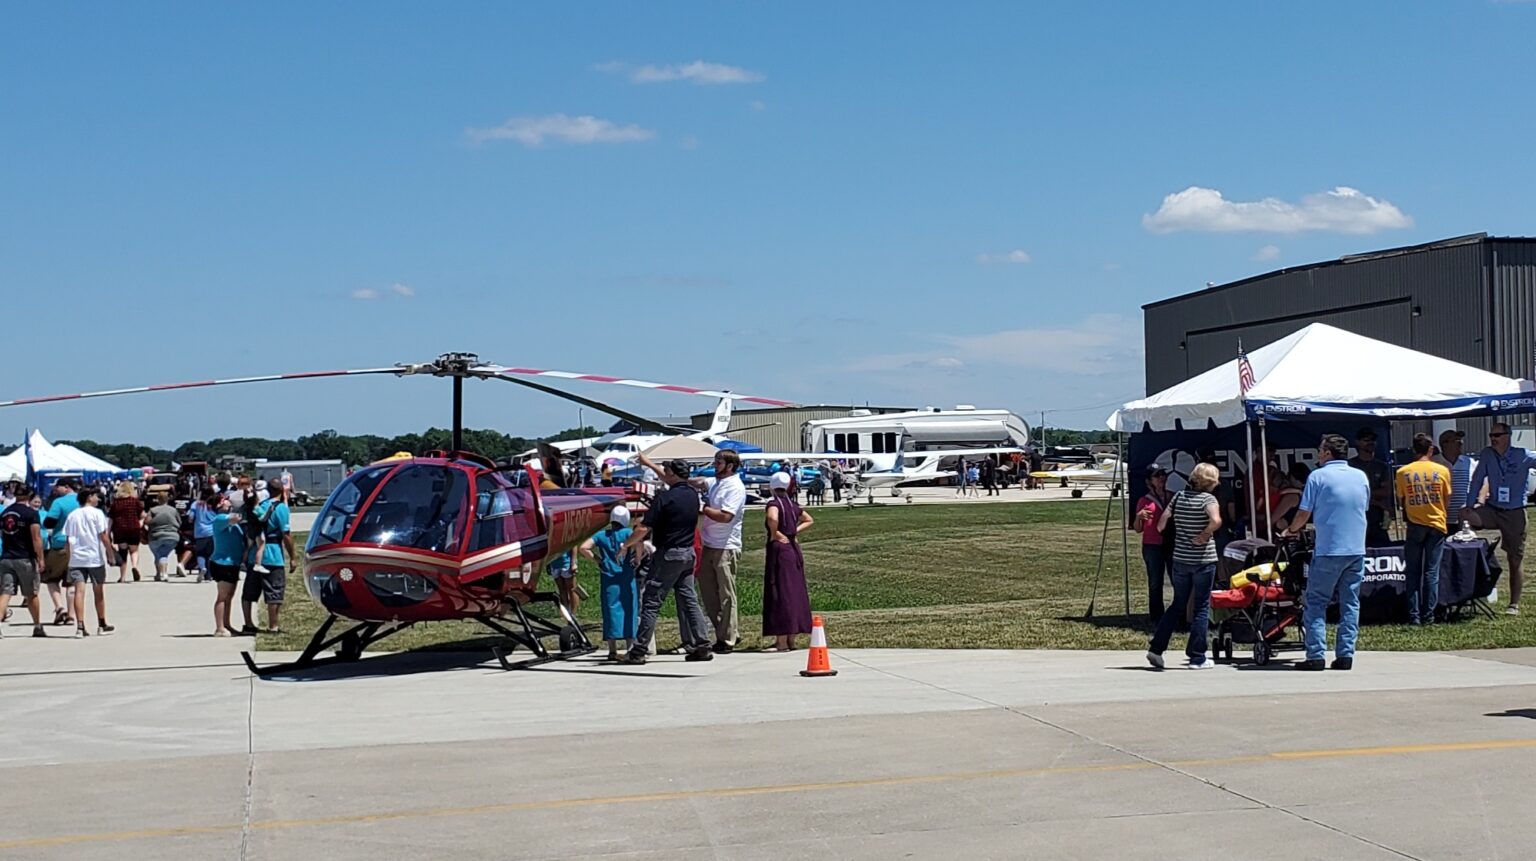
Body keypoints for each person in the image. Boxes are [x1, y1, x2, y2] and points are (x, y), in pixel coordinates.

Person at [1283, 434, 1370, 671]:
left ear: (1328, 453)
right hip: (1356, 549)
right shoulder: (1360, 476)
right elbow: (1364, 506)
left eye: (1320, 450)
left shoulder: (1318, 477)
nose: (1318, 455)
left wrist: (1291, 530)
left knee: (1316, 601)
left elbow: (1303, 512)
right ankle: (1345, 655)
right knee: (1350, 603)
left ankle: (1316, 654)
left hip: (1329, 549)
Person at [619, 458, 713, 664]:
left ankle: (639, 650)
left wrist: (626, 545)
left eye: (666, 470)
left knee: (651, 600)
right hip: (688, 553)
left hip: (668, 554)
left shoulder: (665, 498)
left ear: (672, 474)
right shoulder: (692, 495)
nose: (663, 473)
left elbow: (644, 528)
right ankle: (702, 644)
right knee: (689, 599)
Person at [1146, 462, 1222, 670]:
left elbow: (1161, 524)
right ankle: (1197, 656)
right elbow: (1216, 520)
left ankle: (1156, 648)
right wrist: (1205, 534)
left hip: (1180, 558)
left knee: (1177, 604)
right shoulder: (1209, 499)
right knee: (1201, 607)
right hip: (1203, 560)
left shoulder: (1179, 497)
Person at [1466, 421, 1536, 615]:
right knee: (1467, 518)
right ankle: (1470, 577)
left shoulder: (1523, 455)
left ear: (1508, 436)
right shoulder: (1487, 454)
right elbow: (1477, 479)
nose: (1493, 439)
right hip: (1493, 509)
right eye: (1491, 436)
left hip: (1514, 512)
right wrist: (1470, 505)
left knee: (1515, 558)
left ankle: (1513, 604)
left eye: (1497, 436)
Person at [694, 449, 746, 654]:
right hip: (709, 544)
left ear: (730, 466)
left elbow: (726, 516)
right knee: (708, 594)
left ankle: (729, 638)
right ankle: (723, 632)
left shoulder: (735, 487)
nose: (714, 465)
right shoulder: (715, 482)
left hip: (726, 546)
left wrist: (702, 508)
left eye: (718, 462)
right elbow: (698, 481)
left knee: (726, 594)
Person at [1396, 433, 1451, 626]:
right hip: (1436, 524)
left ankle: (1414, 616)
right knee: (1431, 572)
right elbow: (1446, 498)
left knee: (1412, 572)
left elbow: (1402, 500)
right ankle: (1429, 615)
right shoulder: (1442, 470)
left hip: (1415, 524)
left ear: (1413, 449)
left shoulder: (1403, 472)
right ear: (1430, 449)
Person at [762, 472, 814, 651]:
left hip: (780, 550)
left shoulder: (774, 503)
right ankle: (792, 639)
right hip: (793, 549)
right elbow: (809, 519)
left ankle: (781, 641)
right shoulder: (793, 504)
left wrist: (775, 533)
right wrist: (794, 531)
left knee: (780, 591)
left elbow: (772, 517)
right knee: (794, 592)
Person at [579, 505, 639, 661]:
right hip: (626, 577)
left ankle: (612, 650)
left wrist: (598, 560)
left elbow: (584, 547)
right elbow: (639, 541)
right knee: (629, 610)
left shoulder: (601, 535)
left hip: (608, 578)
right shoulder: (627, 533)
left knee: (610, 610)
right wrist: (637, 558)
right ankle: (630, 647)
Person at [64, 486, 117, 637]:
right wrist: (110, 553)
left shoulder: (72, 515)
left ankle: (80, 626)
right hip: (94, 558)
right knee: (98, 591)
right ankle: (101, 623)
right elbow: (103, 536)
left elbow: (67, 541)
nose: (98, 499)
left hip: (76, 558)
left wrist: (69, 559)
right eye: (95, 496)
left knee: (79, 592)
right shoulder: (97, 513)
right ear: (89, 497)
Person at [245, 483, 294, 634]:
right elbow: (286, 534)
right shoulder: (281, 508)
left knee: (249, 592)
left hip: (255, 554)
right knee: (274, 591)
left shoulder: (261, 505)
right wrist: (293, 557)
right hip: (273, 555)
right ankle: (273, 625)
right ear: (282, 490)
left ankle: (248, 624)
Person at [0, 486, 48, 637]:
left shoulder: (5, 513)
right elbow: (36, 537)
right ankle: (37, 626)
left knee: (6, 592)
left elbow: (2, 534)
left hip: (7, 557)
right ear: (29, 496)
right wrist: (40, 558)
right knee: (31, 593)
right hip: (25, 557)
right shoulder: (31, 514)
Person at [1132, 464, 1173, 623]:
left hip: (1171, 544)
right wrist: (1138, 517)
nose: (1162, 478)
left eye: (1163, 474)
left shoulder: (1173, 497)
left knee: (1177, 580)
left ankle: (1179, 613)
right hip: (1152, 545)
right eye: (1157, 476)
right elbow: (1137, 529)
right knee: (1155, 582)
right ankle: (1157, 616)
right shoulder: (1144, 501)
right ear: (1149, 481)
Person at [41, 477, 80, 626]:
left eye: (57, 487)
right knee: (71, 581)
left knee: (51, 578)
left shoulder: (58, 502)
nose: (55, 490)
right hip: (78, 545)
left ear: (66, 487)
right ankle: (71, 615)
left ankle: (59, 607)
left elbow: (49, 522)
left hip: (60, 542)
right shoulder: (81, 501)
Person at [208, 496, 246, 637]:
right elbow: (236, 518)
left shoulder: (231, 523)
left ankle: (227, 624)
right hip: (222, 562)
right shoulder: (220, 519)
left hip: (233, 562)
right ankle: (219, 627)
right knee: (222, 596)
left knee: (229, 596)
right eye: (224, 500)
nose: (227, 501)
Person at [1348, 427, 1393, 548]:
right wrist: (1374, 500)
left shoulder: (1382, 466)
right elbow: (1350, 493)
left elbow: (1386, 491)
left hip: (1376, 519)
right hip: (1355, 517)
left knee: (1384, 550)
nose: (1370, 442)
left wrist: (1364, 496)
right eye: (1366, 439)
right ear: (1357, 442)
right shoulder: (1350, 466)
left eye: (1373, 440)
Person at [1431, 429, 1473, 525]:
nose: (1460, 444)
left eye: (1460, 441)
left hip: (1463, 521)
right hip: (1440, 521)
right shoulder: (1433, 463)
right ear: (1444, 444)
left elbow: (1484, 480)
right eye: (1456, 441)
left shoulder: (1469, 462)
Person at [108, 480, 144, 583]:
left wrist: (108, 532)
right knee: (134, 550)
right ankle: (135, 566)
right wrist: (140, 523)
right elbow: (142, 515)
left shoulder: (115, 503)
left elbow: (111, 519)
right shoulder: (135, 501)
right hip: (133, 528)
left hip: (119, 530)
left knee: (122, 553)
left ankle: (122, 577)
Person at [145, 492, 182, 581]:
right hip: (172, 536)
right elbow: (179, 522)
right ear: (167, 499)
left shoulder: (153, 510)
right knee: (163, 554)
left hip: (155, 536)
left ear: (158, 500)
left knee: (159, 554)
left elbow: (146, 522)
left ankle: (161, 573)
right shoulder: (173, 510)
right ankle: (161, 574)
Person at [189, 488, 218, 578]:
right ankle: (209, 575)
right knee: (210, 554)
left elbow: (190, 517)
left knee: (200, 553)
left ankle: (202, 567)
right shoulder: (214, 503)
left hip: (200, 532)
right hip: (213, 531)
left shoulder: (196, 504)